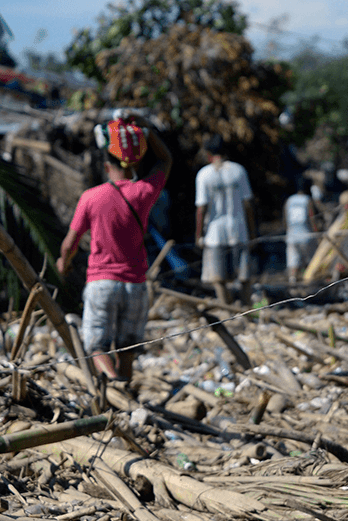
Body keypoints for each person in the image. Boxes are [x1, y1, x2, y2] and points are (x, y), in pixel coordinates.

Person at [56, 115, 173, 383]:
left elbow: (69, 243)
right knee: (127, 350)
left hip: (102, 282)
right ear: (133, 166)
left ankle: (111, 379)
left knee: (96, 347)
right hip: (135, 284)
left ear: (107, 167)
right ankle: (125, 394)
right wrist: (148, 129)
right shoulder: (143, 191)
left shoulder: (91, 197)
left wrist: (64, 262)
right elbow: (165, 160)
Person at [195, 135, 256, 306]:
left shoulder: (204, 175)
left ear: (208, 154)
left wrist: (198, 234)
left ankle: (226, 307)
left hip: (214, 233)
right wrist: (252, 232)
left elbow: (201, 208)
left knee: (217, 278)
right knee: (244, 276)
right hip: (239, 229)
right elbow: (248, 205)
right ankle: (246, 307)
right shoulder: (238, 171)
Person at [284, 176, 318, 283]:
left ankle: (292, 280)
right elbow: (312, 219)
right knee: (309, 260)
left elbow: (285, 219)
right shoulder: (307, 200)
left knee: (293, 261)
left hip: (292, 236)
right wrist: (317, 232)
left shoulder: (289, 200)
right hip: (306, 235)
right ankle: (307, 282)